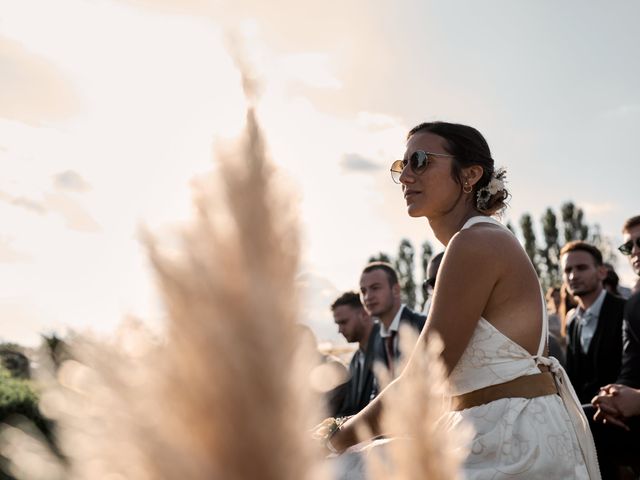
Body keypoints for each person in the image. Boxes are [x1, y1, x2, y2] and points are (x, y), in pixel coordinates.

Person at [326, 121, 599, 478]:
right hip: (483, 430)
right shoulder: (477, 241)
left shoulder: (475, 243)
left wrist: (335, 437)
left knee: (336, 467)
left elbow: (424, 376)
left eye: (420, 160)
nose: (406, 176)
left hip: (507, 443)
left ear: (469, 175)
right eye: (401, 165)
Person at [588, 215, 640, 477]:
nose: (635, 252)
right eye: (628, 247)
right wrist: (614, 398)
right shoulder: (634, 304)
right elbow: (631, 368)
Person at [561, 241, 625, 404]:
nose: (573, 276)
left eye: (582, 268)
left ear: (602, 272)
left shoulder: (626, 311)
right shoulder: (573, 322)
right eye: (567, 270)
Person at [359, 262, 426, 377]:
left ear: (396, 290)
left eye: (375, 288)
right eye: (363, 291)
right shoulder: (376, 339)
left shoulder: (422, 326)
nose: (368, 297)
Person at [331, 292, 380, 417]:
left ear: (364, 315)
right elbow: (350, 408)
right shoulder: (355, 361)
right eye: (338, 324)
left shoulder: (386, 348)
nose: (339, 330)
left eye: (344, 322)